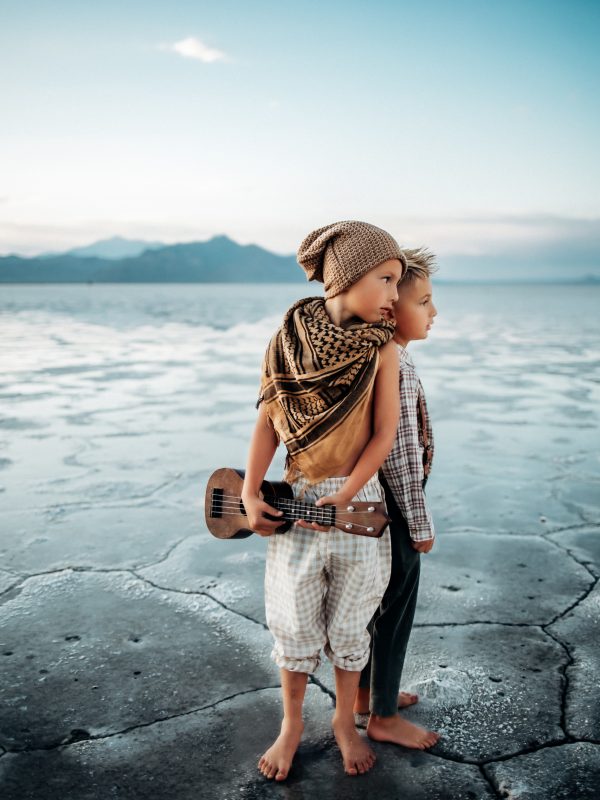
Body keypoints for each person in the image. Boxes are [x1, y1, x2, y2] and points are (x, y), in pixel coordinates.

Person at [241, 221, 406, 780]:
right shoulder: (288, 338)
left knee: (352, 623)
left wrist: (348, 492)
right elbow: (269, 416)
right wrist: (248, 487)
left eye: (399, 283)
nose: (393, 296)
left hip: (358, 502)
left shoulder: (384, 352)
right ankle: (291, 724)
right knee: (292, 619)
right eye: (385, 279)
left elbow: (383, 433)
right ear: (346, 275)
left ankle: (342, 720)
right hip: (300, 494)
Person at [354, 247, 440, 750]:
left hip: (372, 506)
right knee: (395, 608)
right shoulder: (398, 365)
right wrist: (420, 523)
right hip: (395, 507)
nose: (434, 313)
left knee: (375, 606)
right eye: (425, 301)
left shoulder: (376, 355)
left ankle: (368, 695)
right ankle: (383, 715)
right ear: (391, 308)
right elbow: (402, 453)